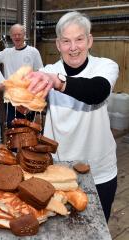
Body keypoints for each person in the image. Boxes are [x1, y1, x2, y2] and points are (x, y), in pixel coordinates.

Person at [26, 11, 119, 222]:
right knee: (58, 229)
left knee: (97, 228)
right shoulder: (47, 70)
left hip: (99, 171)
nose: (73, 47)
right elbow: (29, 106)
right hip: (57, 169)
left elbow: (97, 92)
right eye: (66, 41)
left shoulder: (105, 66)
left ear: (89, 40)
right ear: (58, 44)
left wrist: (58, 82)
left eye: (79, 39)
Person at [0, 24, 43, 127]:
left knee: (28, 131)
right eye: (14, 35)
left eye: (19, 34)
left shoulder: (33, 52)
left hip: (27, 99)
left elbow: (40, 75)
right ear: (10, 36)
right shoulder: (6, 53)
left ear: (24, 35)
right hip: (10, 99)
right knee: (12, 130)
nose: (17, 37)